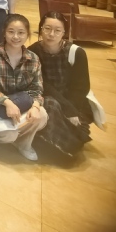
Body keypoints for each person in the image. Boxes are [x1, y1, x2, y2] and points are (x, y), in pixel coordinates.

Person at [0, 14, 48, 161]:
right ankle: (2, 137)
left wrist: (35, 106)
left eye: (21, 32)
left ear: (27, 34)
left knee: (42, 115)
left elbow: (37, 88)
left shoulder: (33, 58)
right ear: (4, 33)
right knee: (7, 135)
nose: (16, 36)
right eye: (11, 31)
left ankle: (23, 143)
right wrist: (7, 103)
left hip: (22, 104)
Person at [32, 11, 92, 158]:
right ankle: (61, 148)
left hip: (72, 100)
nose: (51, 34)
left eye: (57, 30)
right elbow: (42, 85)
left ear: (64, 33)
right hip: (47, 97)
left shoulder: (76, 52)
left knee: (74, 123)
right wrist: (66, 108)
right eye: (47, 29)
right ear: (41, 29)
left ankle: (64, 141)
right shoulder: (32, 52)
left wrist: (72, 109)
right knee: (50, 106)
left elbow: (81, 87)